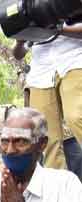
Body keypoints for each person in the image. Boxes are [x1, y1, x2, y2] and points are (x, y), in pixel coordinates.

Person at [13, 25, 82, 169]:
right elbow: (18, 53)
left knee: (77, 116)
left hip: (73, 58)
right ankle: (59, 189)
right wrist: (20, 40)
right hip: (41, 72)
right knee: (45, 138)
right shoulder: (29, 7)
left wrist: (57, 28)